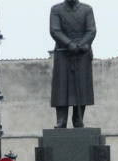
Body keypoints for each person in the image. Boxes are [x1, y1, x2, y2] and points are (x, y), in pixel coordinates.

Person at [50, 0, 96, 128]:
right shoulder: (56, 10)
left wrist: (80, 45)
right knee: (61, 88)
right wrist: (69, 44)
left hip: (82, 53)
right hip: (63, 52)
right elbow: (55, 30)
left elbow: (91, 31)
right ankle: (61, 119)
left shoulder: (87, 9)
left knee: (82, 87)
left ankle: (78, 118)